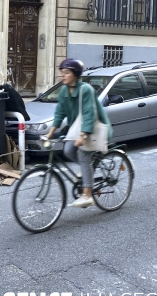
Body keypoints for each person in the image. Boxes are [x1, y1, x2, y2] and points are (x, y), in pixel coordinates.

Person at [45, 58, 113, 208]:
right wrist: (51, 132)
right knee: (68, 150)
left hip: (94, 128)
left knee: (83, 155)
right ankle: (87, 170)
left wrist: (83, 136)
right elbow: (60, 112)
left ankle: (87, 195)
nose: (63, 75)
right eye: (62, 72)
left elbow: (89, 114)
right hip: (77, 128)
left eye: (66, 72)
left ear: (75, 74)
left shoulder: (86, 90)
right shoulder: (64, 90)